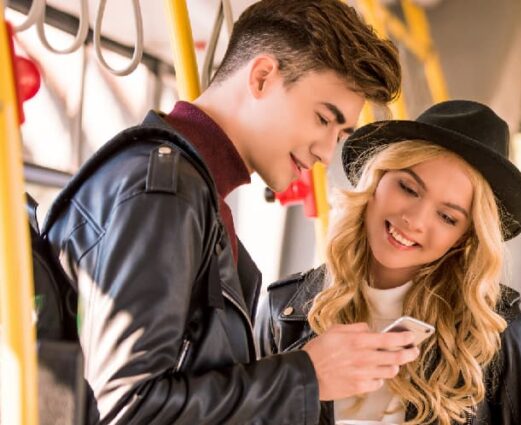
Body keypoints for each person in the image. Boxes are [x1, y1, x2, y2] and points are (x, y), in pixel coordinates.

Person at [43, 1, 416, 423]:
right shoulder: (164, 191)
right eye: (322, 119)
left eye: (341, 134)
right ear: (261, 77)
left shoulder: (195, 193)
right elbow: (132, 407)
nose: (326, 152)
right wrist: (307, 375)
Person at [255, 100, 521, 425]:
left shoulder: (499, 327)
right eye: (408, 188)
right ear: (376, 180)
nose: (414, 220)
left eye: (446, 216)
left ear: (465, 237)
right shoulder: (284, 309)